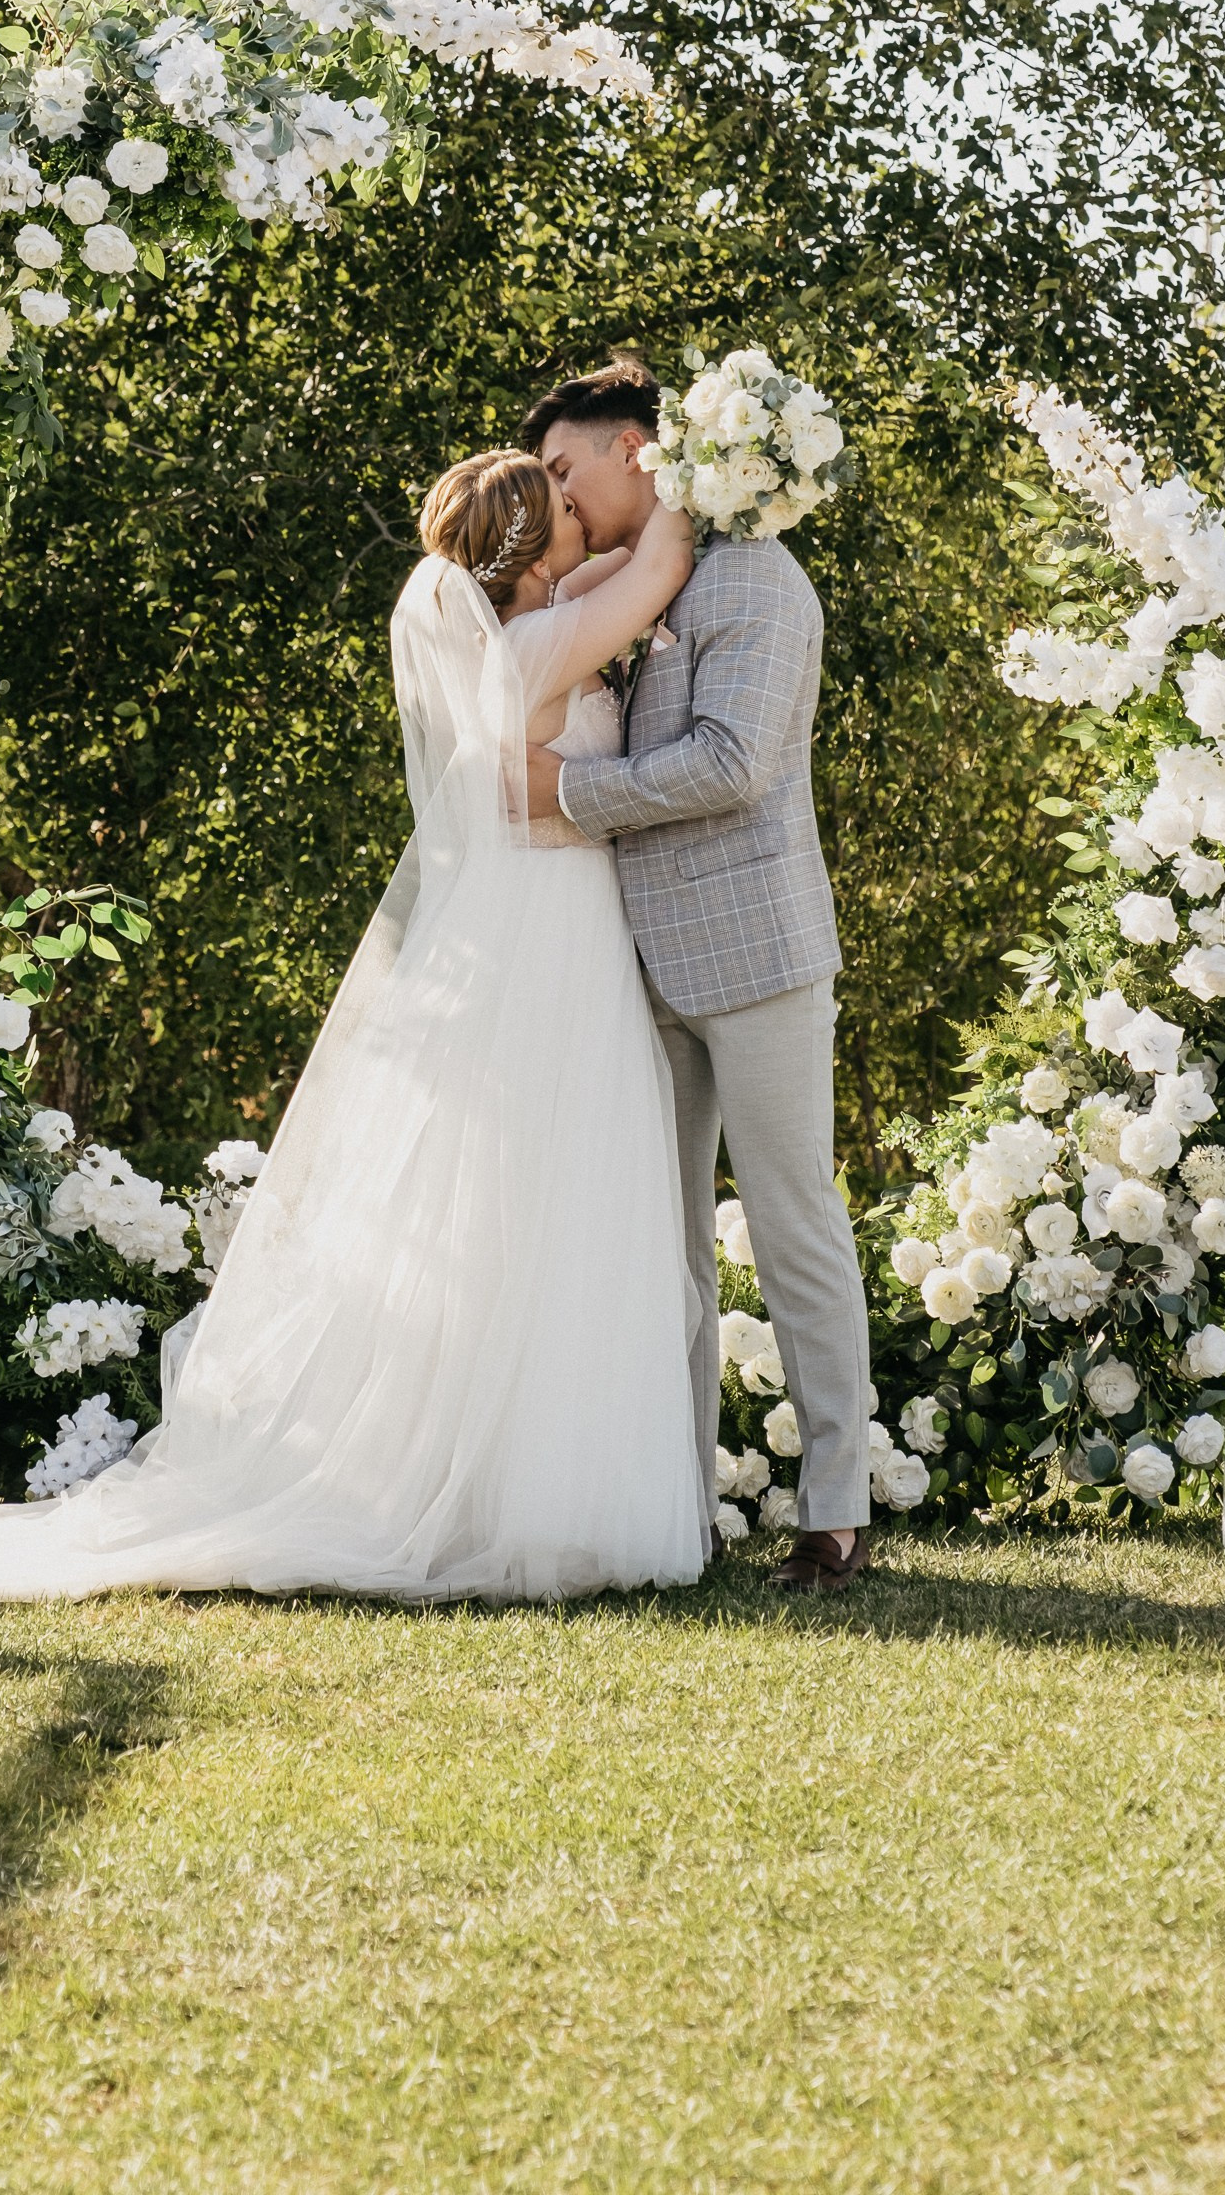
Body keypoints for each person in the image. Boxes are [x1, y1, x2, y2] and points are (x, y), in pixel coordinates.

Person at [0, 449, 709, 1605]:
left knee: (532, 1205)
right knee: (549, 1199)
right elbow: (660, 560)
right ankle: (530, 1498)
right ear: (531, 552)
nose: (574, 506)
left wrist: (592, 519)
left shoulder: (526, 631)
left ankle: (511, 1480)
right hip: (551, 944)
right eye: (556, 503)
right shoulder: (544, 646)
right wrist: (707, 453)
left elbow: (605, 572)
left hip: (537, 937)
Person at [520, 359, 872, 1593]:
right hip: (637, 962)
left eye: (565, 469)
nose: (554, 494)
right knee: (657, 1244)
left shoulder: (756, 581)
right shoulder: (619, 587)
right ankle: (674, 1501)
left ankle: (833, 1509)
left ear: (633, 451)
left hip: (758, 954)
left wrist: (565, 793)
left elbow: (730, 761)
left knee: (791, 1228)